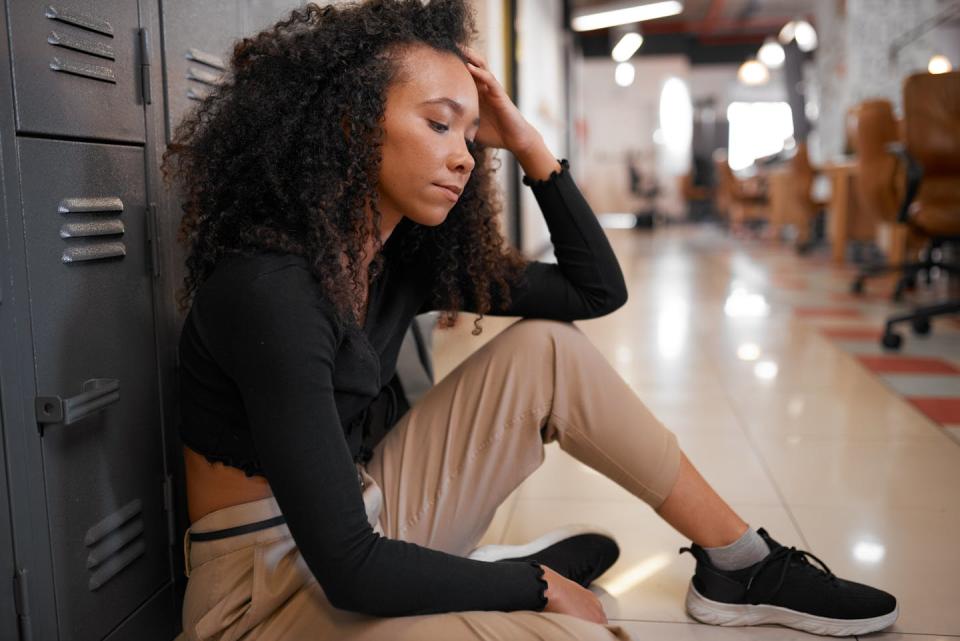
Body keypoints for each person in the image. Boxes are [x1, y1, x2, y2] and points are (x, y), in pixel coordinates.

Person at [163, 1, 899, 639]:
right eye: (440, 125)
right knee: (573, 627)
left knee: (549, 347)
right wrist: (535, 586)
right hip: (268, 599)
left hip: (362, 525)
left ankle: (742, 565)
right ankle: (488, 572)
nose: (463, 157)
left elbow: (594, 291)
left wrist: (527, 143)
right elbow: (352, 570)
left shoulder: (396, 260)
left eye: (471, 135)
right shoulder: (273, 291)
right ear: (352, 124)